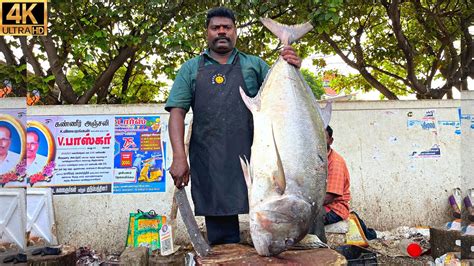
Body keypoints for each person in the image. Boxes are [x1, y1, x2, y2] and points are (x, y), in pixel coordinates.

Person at [166, 7, 302, 245]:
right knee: (222, 235)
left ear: (235, 31)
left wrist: (292, 67)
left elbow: (283, 99)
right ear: (206, 32)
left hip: (258, 158)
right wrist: (179, 156)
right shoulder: (191, 69)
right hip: (211, 160)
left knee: (273, 224)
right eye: (215, 27)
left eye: (226, 27)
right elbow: (177, 111)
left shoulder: (254, 65)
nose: (221, 32)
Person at [323, 125, 351, 225]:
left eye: (323, 138)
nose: (319, 141)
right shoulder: (315, 159)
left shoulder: (335, 162)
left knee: (303, 220)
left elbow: (329, 197)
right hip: (318, 205)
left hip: (334, 208)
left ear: (331, 141)